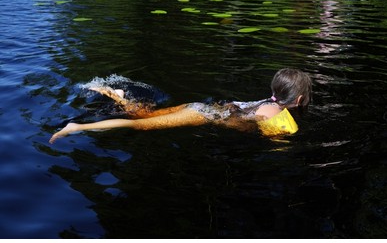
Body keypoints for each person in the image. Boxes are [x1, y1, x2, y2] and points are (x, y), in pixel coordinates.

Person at [49, 68, 312, 144]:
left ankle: (115, 94)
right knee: (138, 124)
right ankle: (76, 127)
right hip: (200, 117)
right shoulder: (279, 120)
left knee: (144, 114)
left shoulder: (266, 102)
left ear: (274, 90)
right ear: (299, 100)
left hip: (201, 106)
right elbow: (277, 141)